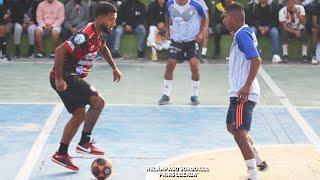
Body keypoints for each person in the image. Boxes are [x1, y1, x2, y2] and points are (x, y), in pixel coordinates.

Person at [50, 2, 122, 171]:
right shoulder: (85, 35)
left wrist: (114, 67)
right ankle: (84, 142)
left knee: (80, 114)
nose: (114, 23)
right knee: (98, 102)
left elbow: (102, 48)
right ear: (100, 18)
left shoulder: (101, 33)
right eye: (111, 20)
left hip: (70, 77)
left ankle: (61, 153)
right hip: (66, 76)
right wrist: (60, 79)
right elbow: (60, 51)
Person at [223, 3, 268, 180]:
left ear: (235, 19)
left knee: (240, 133)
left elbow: (256, 59)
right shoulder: (242, 34)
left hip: (244, 93)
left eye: (226, 18)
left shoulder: (242, 35)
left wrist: (247, 85)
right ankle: (258, 160)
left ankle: (253, 174)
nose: (224, 21)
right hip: (237, 92)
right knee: (231, 127)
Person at [158, 0, 209, 106]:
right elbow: (167, 15)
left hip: (192, 40)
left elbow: (206, 18)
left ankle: (194, 95)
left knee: (194, 65)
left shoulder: (196, 4)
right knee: (170, 64)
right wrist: (167, 29)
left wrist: (201, 32)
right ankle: (165, 94)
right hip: (177, 39)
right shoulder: (170, 4)